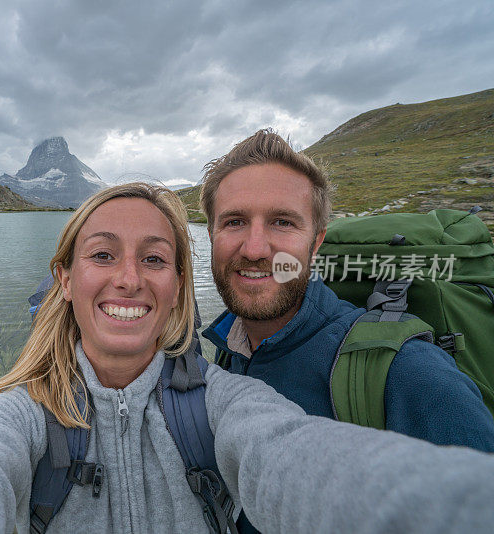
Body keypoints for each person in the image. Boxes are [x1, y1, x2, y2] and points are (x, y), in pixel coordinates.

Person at [0, 182, 494, 534]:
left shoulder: (223, 401)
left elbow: (298, 460)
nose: (127, 278)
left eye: (156, 258)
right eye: (103, 254)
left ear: (178, 287)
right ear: (64, 278)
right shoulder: (12, 416)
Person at [199, 130, 494, 530]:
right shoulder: (228, 349)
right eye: (234, 222)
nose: (254, 249)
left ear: (315, 242)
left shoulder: (407, 370)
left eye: (282, 222)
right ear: (211, 234)